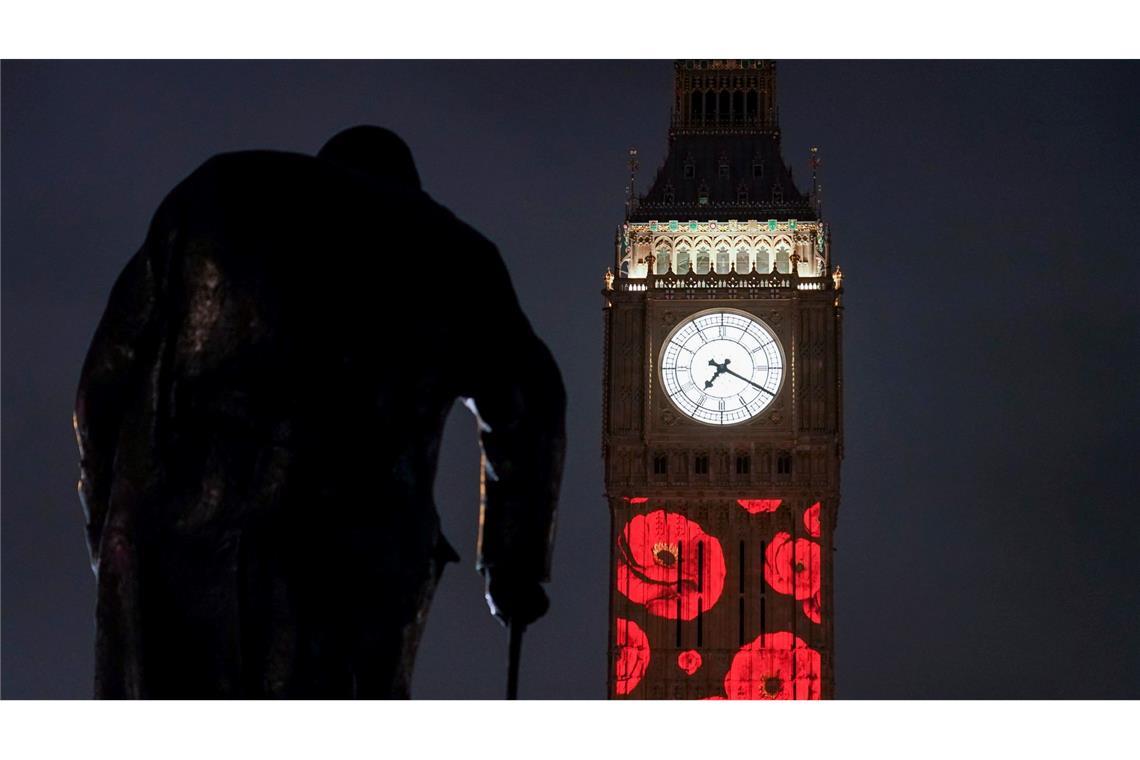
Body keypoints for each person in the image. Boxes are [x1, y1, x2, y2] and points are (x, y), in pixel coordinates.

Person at [74, 126, 566, 698]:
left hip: (178, 544)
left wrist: (109, 531)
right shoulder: (454, 254)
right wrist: (513, 566)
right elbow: (531, 402)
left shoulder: (214, 190)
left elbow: (102, 384)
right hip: (351, 563)